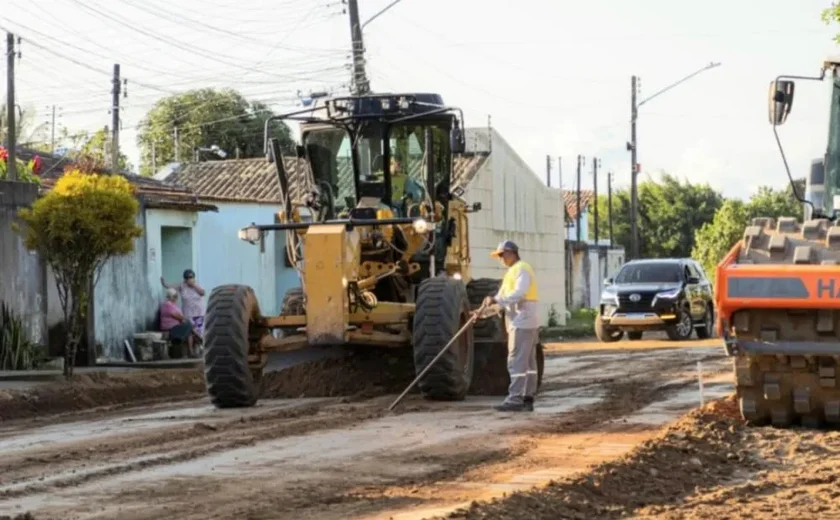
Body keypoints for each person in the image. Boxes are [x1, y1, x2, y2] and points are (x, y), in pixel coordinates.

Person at [483, 240, 540, 412]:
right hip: (522, 320)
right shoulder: (510, 273)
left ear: (511, 253)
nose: (500, 259)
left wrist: (496, 300)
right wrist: (482, 313)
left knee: (516, 360)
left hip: (522, 320)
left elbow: (518, 293)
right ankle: (527, 398)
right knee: (529, 362)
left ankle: (515, 398)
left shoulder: (522, 268)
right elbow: (500, 300)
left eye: (501, 255)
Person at [161, 269, 206, 336]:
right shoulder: (182, 285)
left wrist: (193, 285)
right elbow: (170, 286)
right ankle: (193, 345)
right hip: (188, 313)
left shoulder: (197, 284)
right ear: (185, 279)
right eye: (187, 278)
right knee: (190, 332)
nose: (189, 279)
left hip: (199, 312)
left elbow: (202, 293)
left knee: (199, 331)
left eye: (191, 277)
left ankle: (199, 345)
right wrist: (164, 284)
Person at [160, 288, 197, 357]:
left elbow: (181, 317)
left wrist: (184, 319)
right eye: (174, 296)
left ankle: (191, 352)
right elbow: (178, 316)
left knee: (189, 332)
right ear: (170, 297)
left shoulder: (174, 305)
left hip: (176, 327)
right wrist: (184, 319)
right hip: (171, 329)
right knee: (189, 325)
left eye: (176, 296)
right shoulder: (167, 305)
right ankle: (199, 340)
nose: (176, 298)